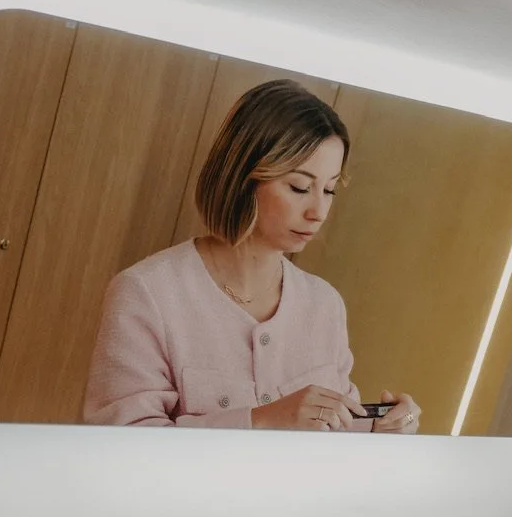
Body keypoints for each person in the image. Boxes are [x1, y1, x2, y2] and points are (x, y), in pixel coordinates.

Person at [83, 79, 420, 432]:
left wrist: (383, 429)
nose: (318, 210)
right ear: (244, 177)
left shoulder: (325, 305)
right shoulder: (146, 294)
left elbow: (336, 429)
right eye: (300, 187)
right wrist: (262, 419)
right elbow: (125, 446)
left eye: (330, 189)